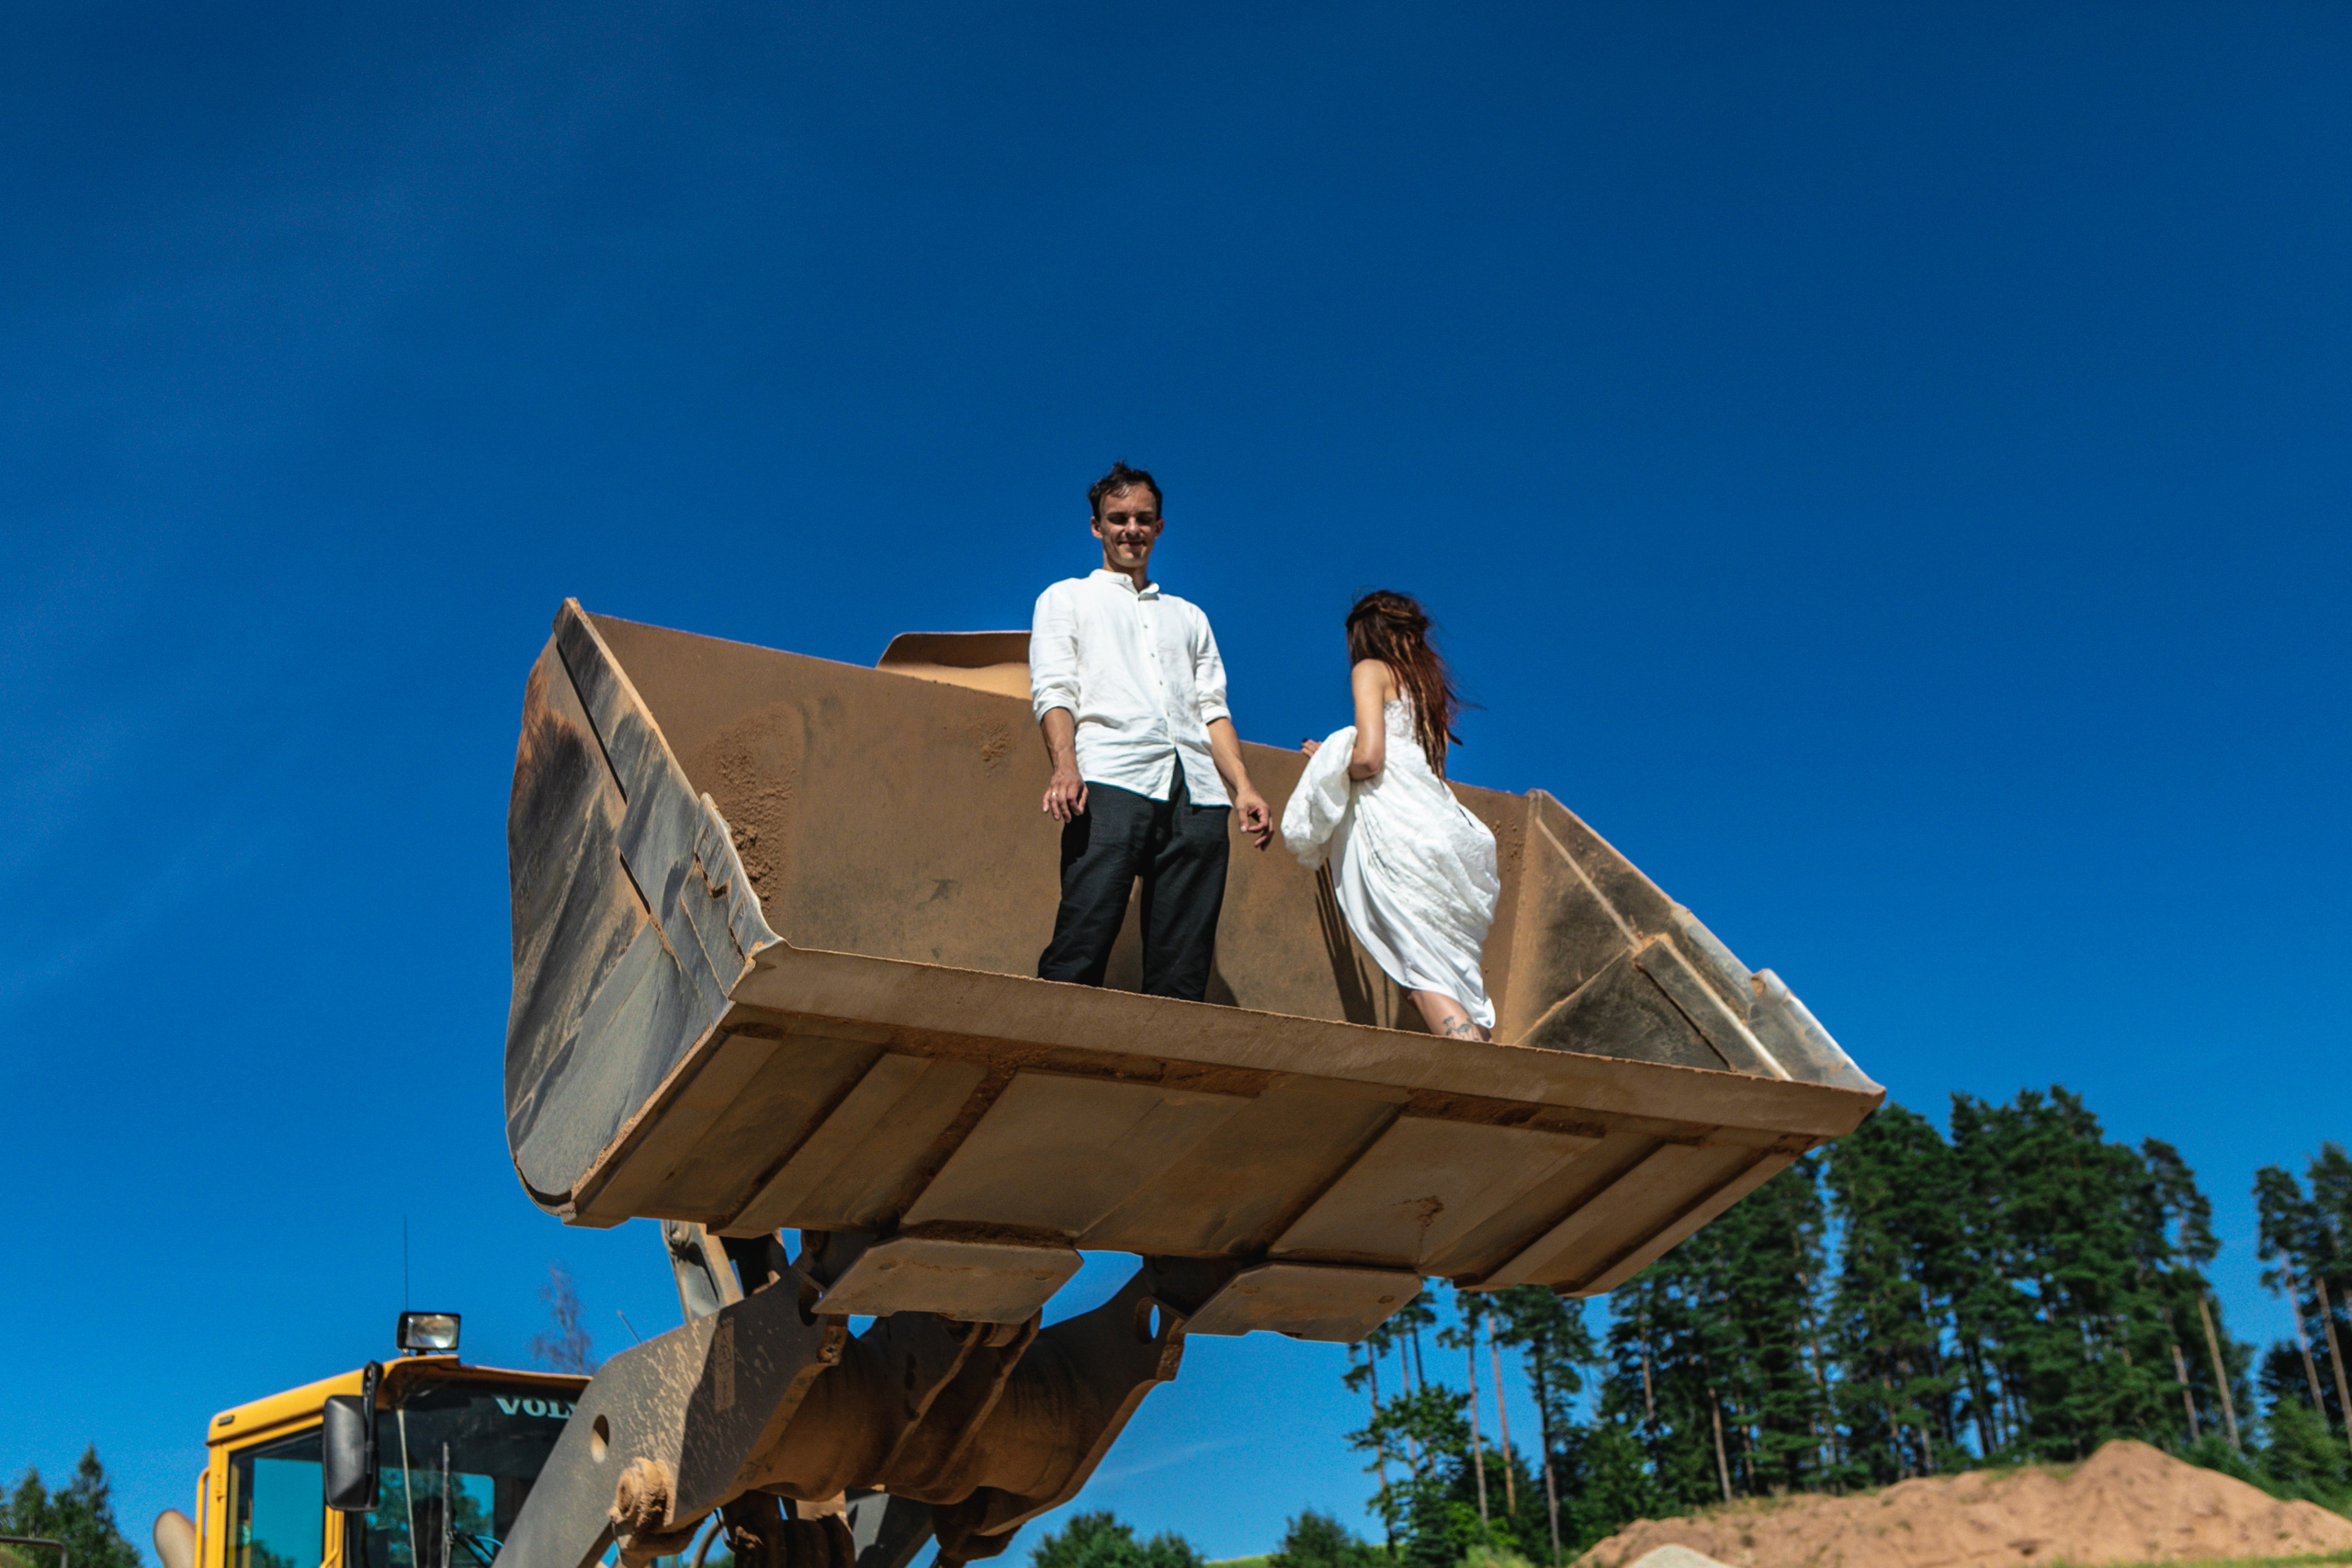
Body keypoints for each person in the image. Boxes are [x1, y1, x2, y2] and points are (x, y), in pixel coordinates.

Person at [1031, 460, 1274, 1000]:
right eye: (1117, 519)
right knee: (1083, 935)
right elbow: (1054, 690)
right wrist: (1065, 767)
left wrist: (1245, 788)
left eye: (1143, 518)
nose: (1131, 529)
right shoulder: (1065, 598)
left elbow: (1213, 709)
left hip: (1200, 797)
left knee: (1183, 967)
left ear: (1160, 526)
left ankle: (1161, 1078)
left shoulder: (1189, 616)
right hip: (1111, 780)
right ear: (1096, 526)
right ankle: (1047, 1051)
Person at [1282, 590, 1499, 1040]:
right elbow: (1425, 769)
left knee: (1416, 962)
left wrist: (1330, 759)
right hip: (1438, 827)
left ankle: (1476, 1067)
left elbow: (1371, 759)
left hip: (1395, 830)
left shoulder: (1370, 670)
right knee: (1436, 963)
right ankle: (1476, 1048)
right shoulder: (1428, 691)